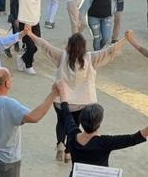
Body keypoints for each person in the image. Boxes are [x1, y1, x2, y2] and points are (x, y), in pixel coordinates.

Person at [32, 29, 129, 160]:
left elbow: (45, 45)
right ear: (83, 46)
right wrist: (125, 39)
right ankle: (68, 151)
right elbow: (109, 51)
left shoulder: (62, 56)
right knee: (74, 126)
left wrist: (30, 34)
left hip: (61, 98)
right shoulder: (91, 58)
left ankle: (60, 143)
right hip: (81, 102)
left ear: (69, 45)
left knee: (61, 121)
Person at [65, 103, 148, 172]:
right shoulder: (105, 142)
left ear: (81, 120)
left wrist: (62, 96)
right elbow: (133, 139)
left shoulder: (73, 134)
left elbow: (66, 115)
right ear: (99, 123)